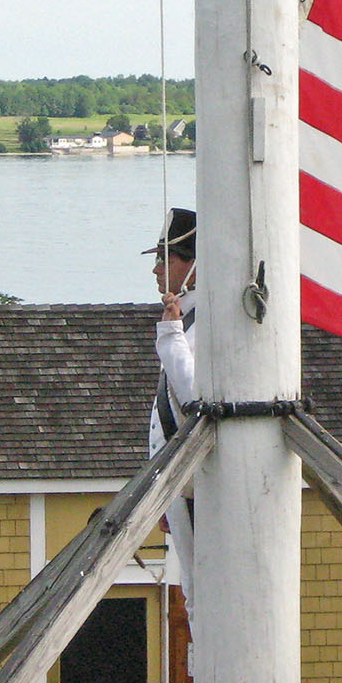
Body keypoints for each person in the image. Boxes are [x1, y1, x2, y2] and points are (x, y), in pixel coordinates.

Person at [146, 208, 200, 607]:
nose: (157, 269)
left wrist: (170, 335)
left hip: (196, 482)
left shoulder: (206, 317)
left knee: (201, 589)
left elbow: (194, 394)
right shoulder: (191, 312)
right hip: (180, 484)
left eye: (167, 258)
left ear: (194, 265)